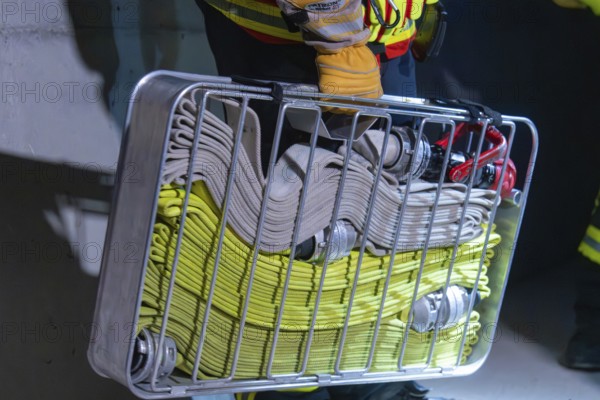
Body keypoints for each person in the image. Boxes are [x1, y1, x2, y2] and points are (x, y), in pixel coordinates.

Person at [193, 0, 448, 398]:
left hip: (386, 40)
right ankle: (285, 388)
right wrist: (336, 33)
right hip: (295, 41)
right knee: (294, 235)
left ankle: (377, 384)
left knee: (380, 229)